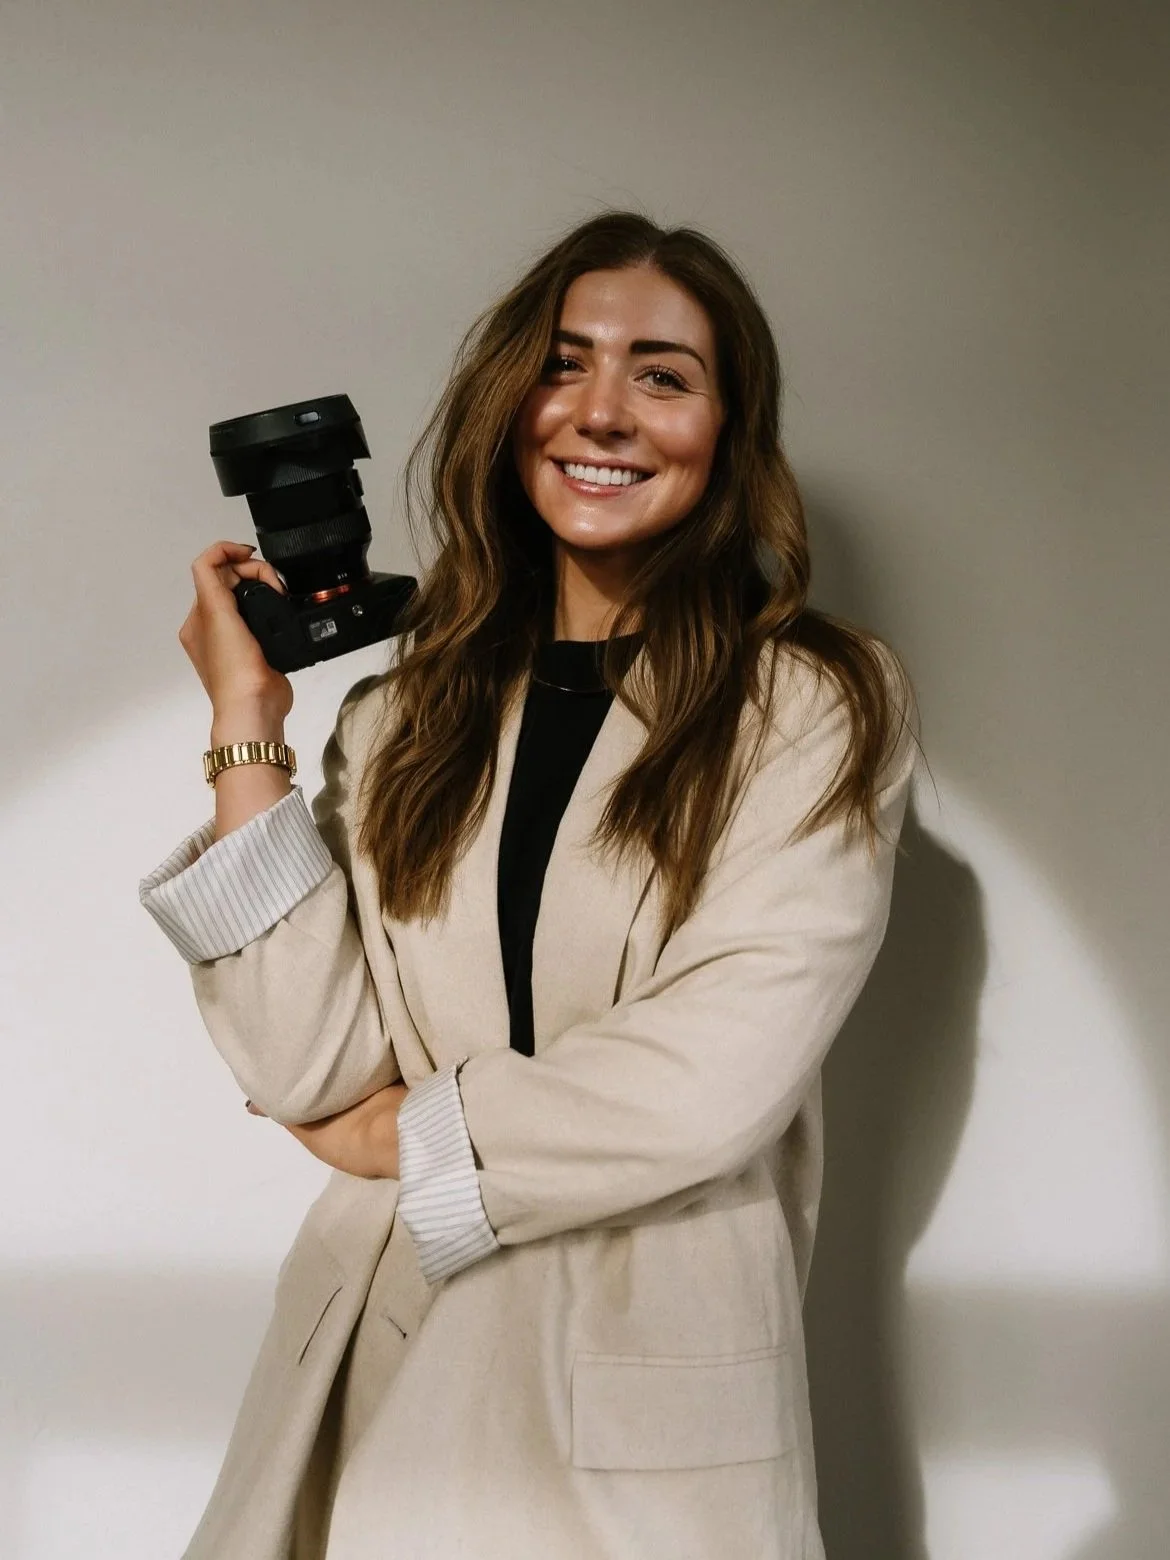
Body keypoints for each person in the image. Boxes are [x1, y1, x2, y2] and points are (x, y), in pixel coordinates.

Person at [139, 210, 922, 1560]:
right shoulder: (403, 717)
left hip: (639, 1398)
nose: (604, 413)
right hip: (379, 1364)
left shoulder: (813, 707)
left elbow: (705, 1083)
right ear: (510, 408)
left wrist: (403, 1141)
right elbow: (304, 1060)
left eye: (663, 375)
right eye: (565, 366)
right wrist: (246, 722)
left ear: (730, 436)